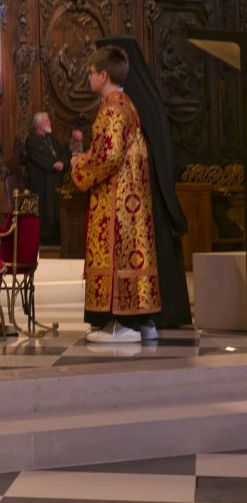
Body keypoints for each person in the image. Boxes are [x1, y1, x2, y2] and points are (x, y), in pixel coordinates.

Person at [95, 36, 192, 327]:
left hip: (138, 203)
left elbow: (114, 157)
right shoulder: (136, 103)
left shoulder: (122, 106)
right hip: (145, 198)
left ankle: (142, 319)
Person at [70, 47, 161, 343]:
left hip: (116, 202)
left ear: (103, 75)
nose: (89, 78)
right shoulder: (127, 104)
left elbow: (108, 156)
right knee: (134, 253)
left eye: (91, 73)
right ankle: (144, 320)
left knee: (119, 254)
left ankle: (122, 324)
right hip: (131, 199)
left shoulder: (112, 108)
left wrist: (78, 163)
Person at [24, 112, 68, 245]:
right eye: (47, 120)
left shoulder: (52, 139)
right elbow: (39, 156)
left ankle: (56, 236)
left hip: (55, 180)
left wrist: (63, 163)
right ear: (38, 124)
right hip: (41, 181)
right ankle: (44, 238)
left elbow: (62, 153)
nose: (50, 122)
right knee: (44, 208)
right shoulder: (32, 140)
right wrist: (54, 164)